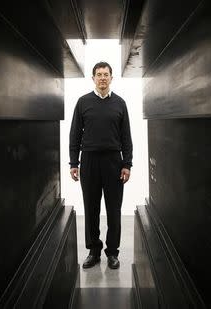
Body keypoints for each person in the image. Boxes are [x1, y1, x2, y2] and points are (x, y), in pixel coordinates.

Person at [69, 61, 133, 269]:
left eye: (106, 74)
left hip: (114, 162)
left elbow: (126, 137)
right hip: (89, 161)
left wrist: (127, 164)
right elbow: (75, 135)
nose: (103, 78)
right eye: (99, 74)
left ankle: (112, 252)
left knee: (114, 209)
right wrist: (74, 162)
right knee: (91, 208)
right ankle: (93, 251)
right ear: (93, 78)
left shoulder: (120, 103)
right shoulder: (82, 102)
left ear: (111, 77)